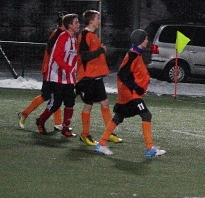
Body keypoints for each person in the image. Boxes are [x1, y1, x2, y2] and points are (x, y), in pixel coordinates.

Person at [94, 29, 165, 158]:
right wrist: (136, 87)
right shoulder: (133, 55)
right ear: (141, 40)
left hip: (128, 95)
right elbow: (122, 74)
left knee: (118, 118)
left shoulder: (135, 54)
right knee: (146, 115)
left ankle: (102, 143)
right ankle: (150, 148)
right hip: (131, 96)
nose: (147, 40)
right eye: (146, 39)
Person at [75, 10, 122, 148]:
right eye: (97, 19)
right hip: (88, 77)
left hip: (96, 77)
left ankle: (109, 133)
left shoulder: (92, 35)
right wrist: (100, 51)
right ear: (91, 21)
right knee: (88, 105)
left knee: (105, 103)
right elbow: (84, 57)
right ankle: (85, 134)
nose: (99, 21)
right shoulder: (84, 35)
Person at [18, 13, 65, 132]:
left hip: (55, 70)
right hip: (50, 71)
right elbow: (51, 51)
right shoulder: (58, 34)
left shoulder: (62, 34)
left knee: (56, 96)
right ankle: (24, 114)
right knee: (47, 96)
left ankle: (58, 123)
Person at [36, 13, 80, 136]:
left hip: (68, 77)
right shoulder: (63, 37)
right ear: (70, 25)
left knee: (70, 102)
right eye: (76, 22)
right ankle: (40, 121)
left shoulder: (73, 38)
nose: (78, 24)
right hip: (56, 76)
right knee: (55, 103)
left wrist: (75, 69)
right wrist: (69, 68)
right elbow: (56, 56)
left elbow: (74, 57)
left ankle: (65, 128)